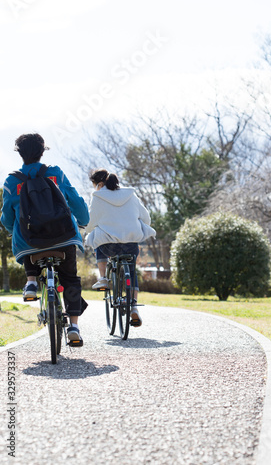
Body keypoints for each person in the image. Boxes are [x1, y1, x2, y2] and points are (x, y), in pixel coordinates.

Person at [1, 133, 90, 345]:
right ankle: (74, 327)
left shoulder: (12, 181)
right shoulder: (56, 174)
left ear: (20, 154)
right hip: (64, 238)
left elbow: (7, 217)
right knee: (69, 279)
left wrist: (12, 230)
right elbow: (75, 200)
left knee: (21, 237)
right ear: (43, 151)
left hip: (30, 243)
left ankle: (31, 282)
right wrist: (84, 220)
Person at [85, 168, 156, 327]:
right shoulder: (131, 195)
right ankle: (134, 308)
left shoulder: (97, 197)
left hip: (109, 246)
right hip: (131, 243)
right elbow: (146, 218)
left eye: (95, 185)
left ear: (100, 184)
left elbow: (90, 224)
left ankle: (103, 278)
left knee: (96, 236)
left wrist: (88, 229)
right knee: (131, 269)